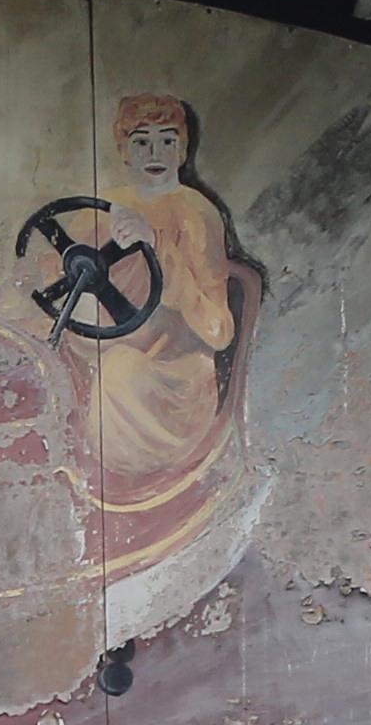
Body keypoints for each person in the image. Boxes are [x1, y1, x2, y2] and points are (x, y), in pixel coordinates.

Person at [63, 94, 245, 492]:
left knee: (121, 374)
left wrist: (157, 245)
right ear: (124, 151)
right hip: (100, 354)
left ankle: (117, 490)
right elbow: (61, 282)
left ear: (182, 148)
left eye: (166, 140)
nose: (154, 153)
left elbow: (219, 330)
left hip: (174, 376)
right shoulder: (106, 209)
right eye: (142, 141)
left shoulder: (195, 213)